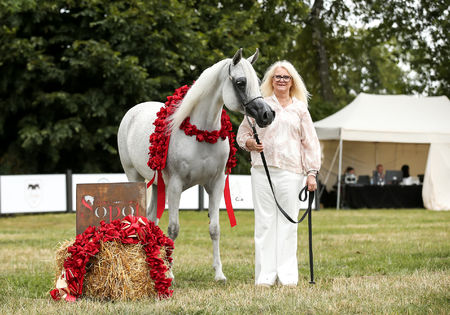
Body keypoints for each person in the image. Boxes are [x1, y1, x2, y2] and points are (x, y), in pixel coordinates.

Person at [236, 60, 321, 287]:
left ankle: (287, 276)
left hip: (292, 172)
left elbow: (310, 143)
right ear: (270, 81)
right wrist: (251, 143)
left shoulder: (300, 109)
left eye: (285, 77)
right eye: (277, 77)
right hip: (262, 171)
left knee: (288, 223)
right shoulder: (260, 105)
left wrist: (311, 173)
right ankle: (265, 276)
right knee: (264, 223)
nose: (281, 80)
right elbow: (241, 134)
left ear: (292, 82)